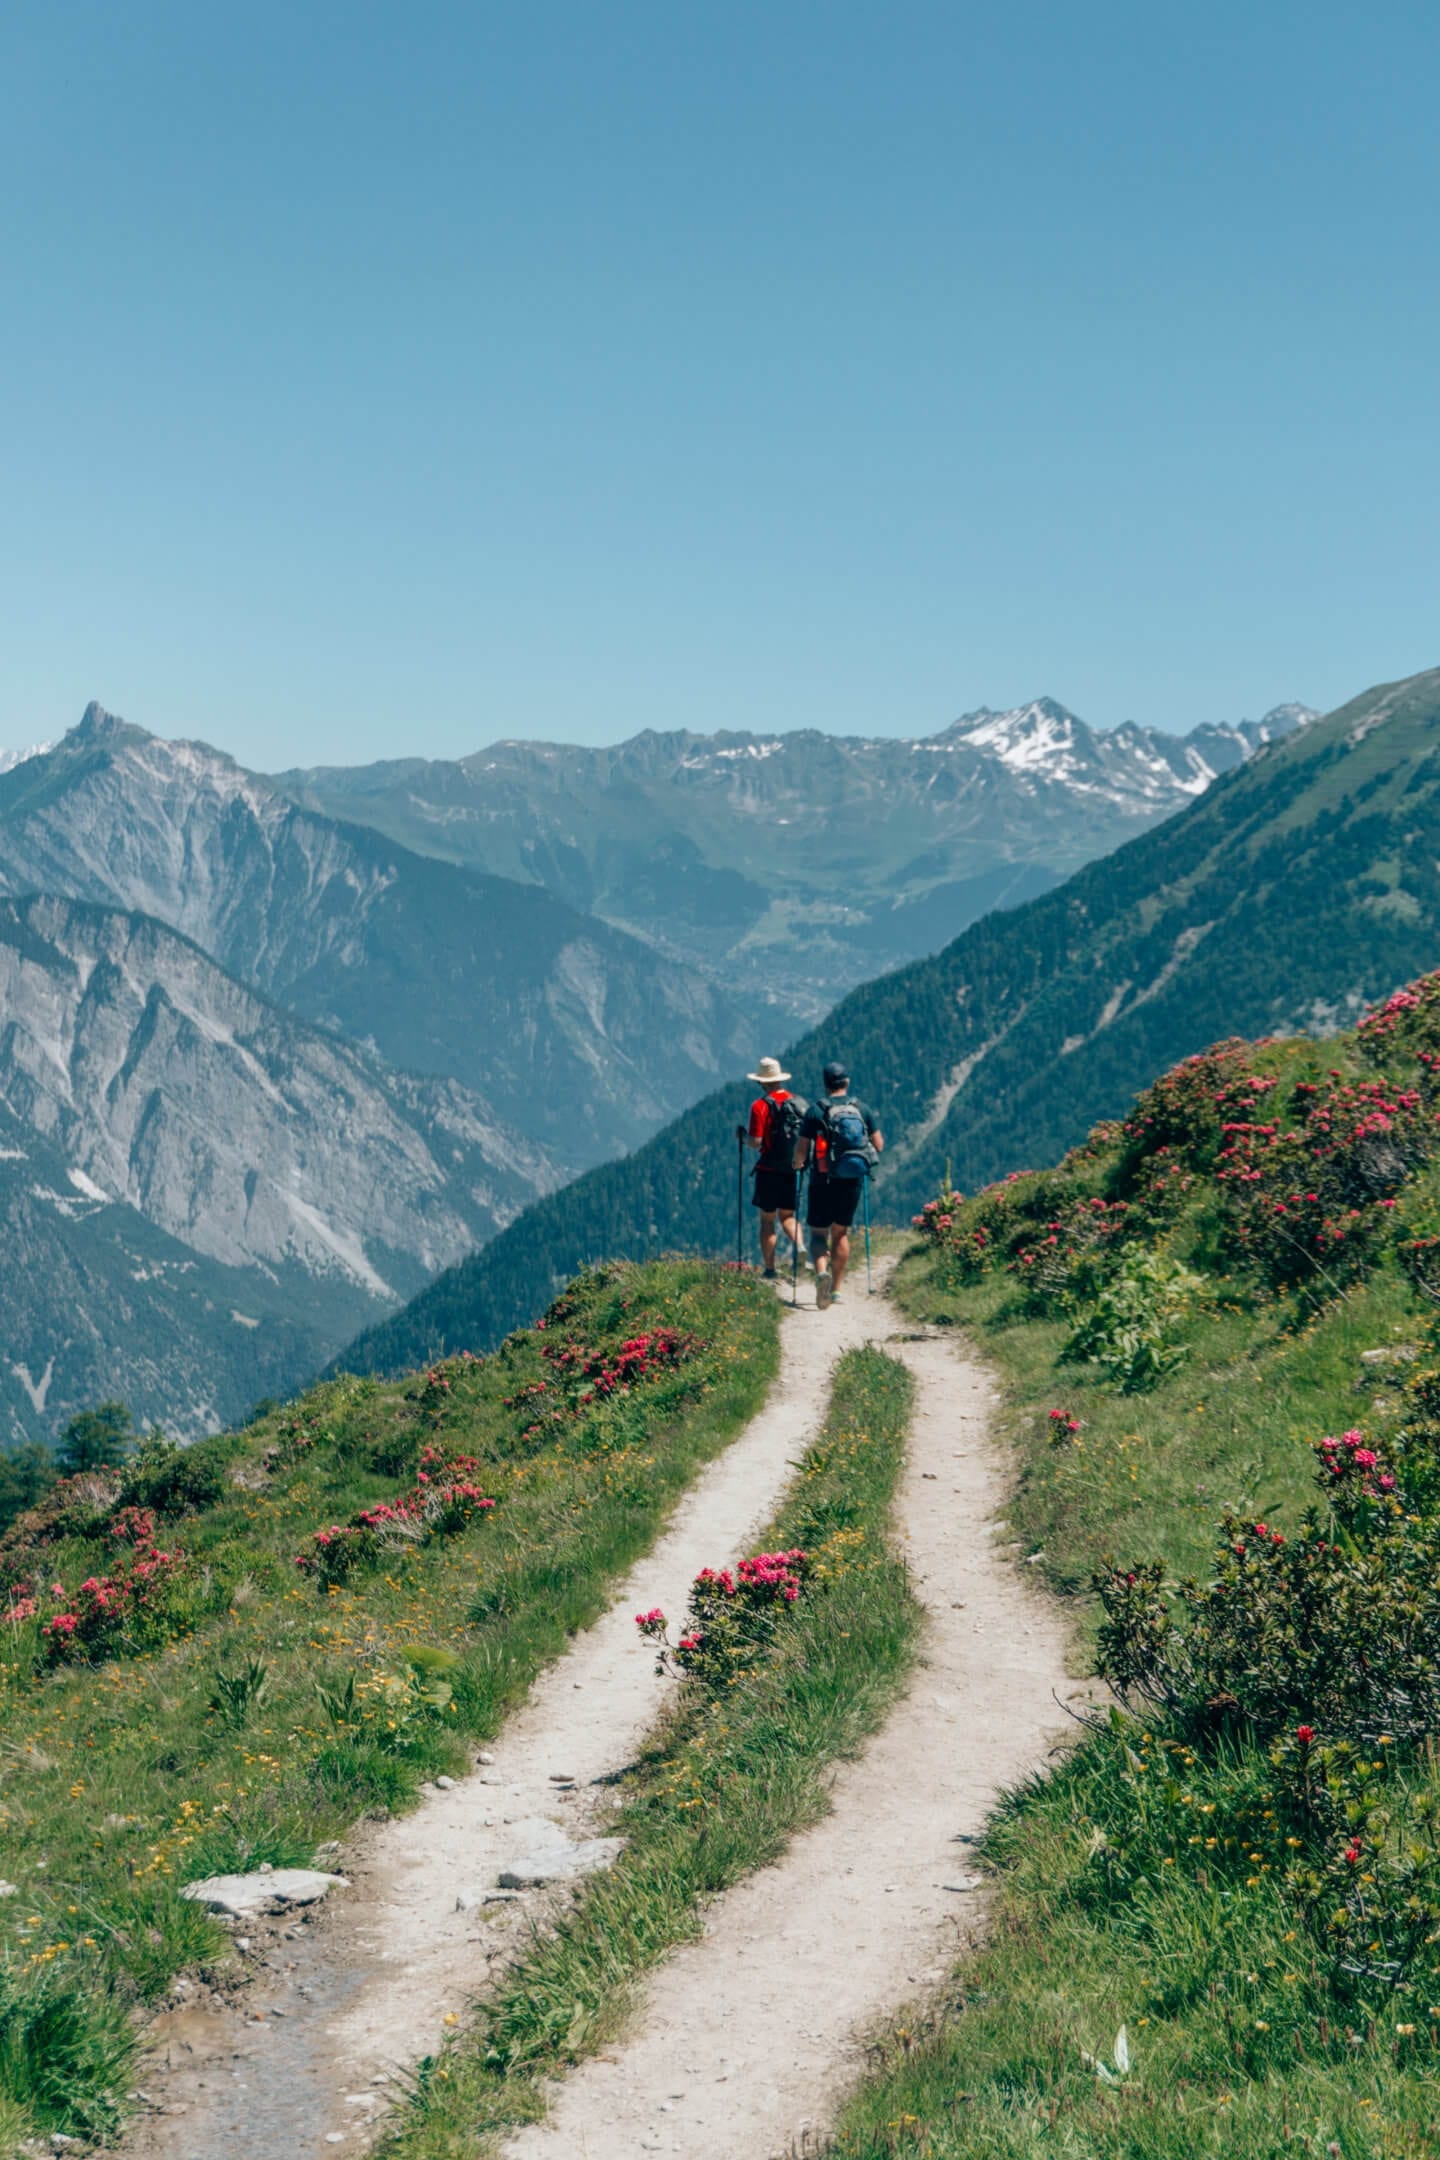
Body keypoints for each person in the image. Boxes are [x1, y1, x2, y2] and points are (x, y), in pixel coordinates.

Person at [794, 1062, 884, 1308]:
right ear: (847, 1082)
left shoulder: (815, 1111)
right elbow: (879, 1145)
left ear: (825, 1084)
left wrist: (797, 1165)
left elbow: (801, 1150)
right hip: (851, 1180)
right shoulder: (861, 1109)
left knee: (818, 1233)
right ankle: (836, 1290)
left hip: (822, 1180)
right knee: (840, 1232)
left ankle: (822, 1272)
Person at [737, 1057, 808, 1279]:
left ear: (761, 1082)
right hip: (792, 1168)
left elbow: (756, 1142)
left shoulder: (759, 1106)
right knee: (788, 1216)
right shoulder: (797, 1103)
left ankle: (769, 1270)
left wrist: (742, 1137)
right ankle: (800, 1245)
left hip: (768, 1170)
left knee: (767, 1221)